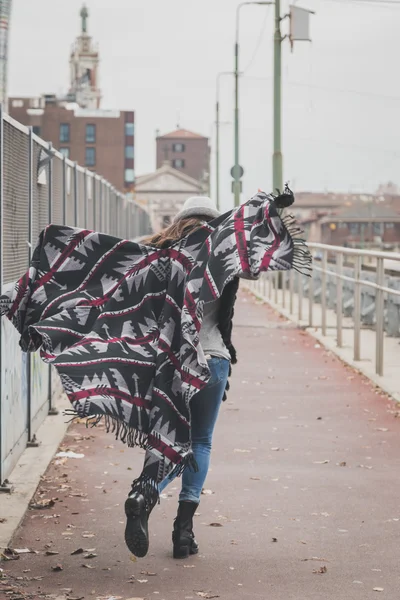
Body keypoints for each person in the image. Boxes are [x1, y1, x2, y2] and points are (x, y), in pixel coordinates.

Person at [124, 196, 238, 559]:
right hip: (213, 359)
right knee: (200, 442)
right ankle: (183, 532)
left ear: (180, 221)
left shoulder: (157, 255)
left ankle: (144, 493)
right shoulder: (224, 259)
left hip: (170, 364)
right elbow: (225, 319)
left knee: (168, 440)